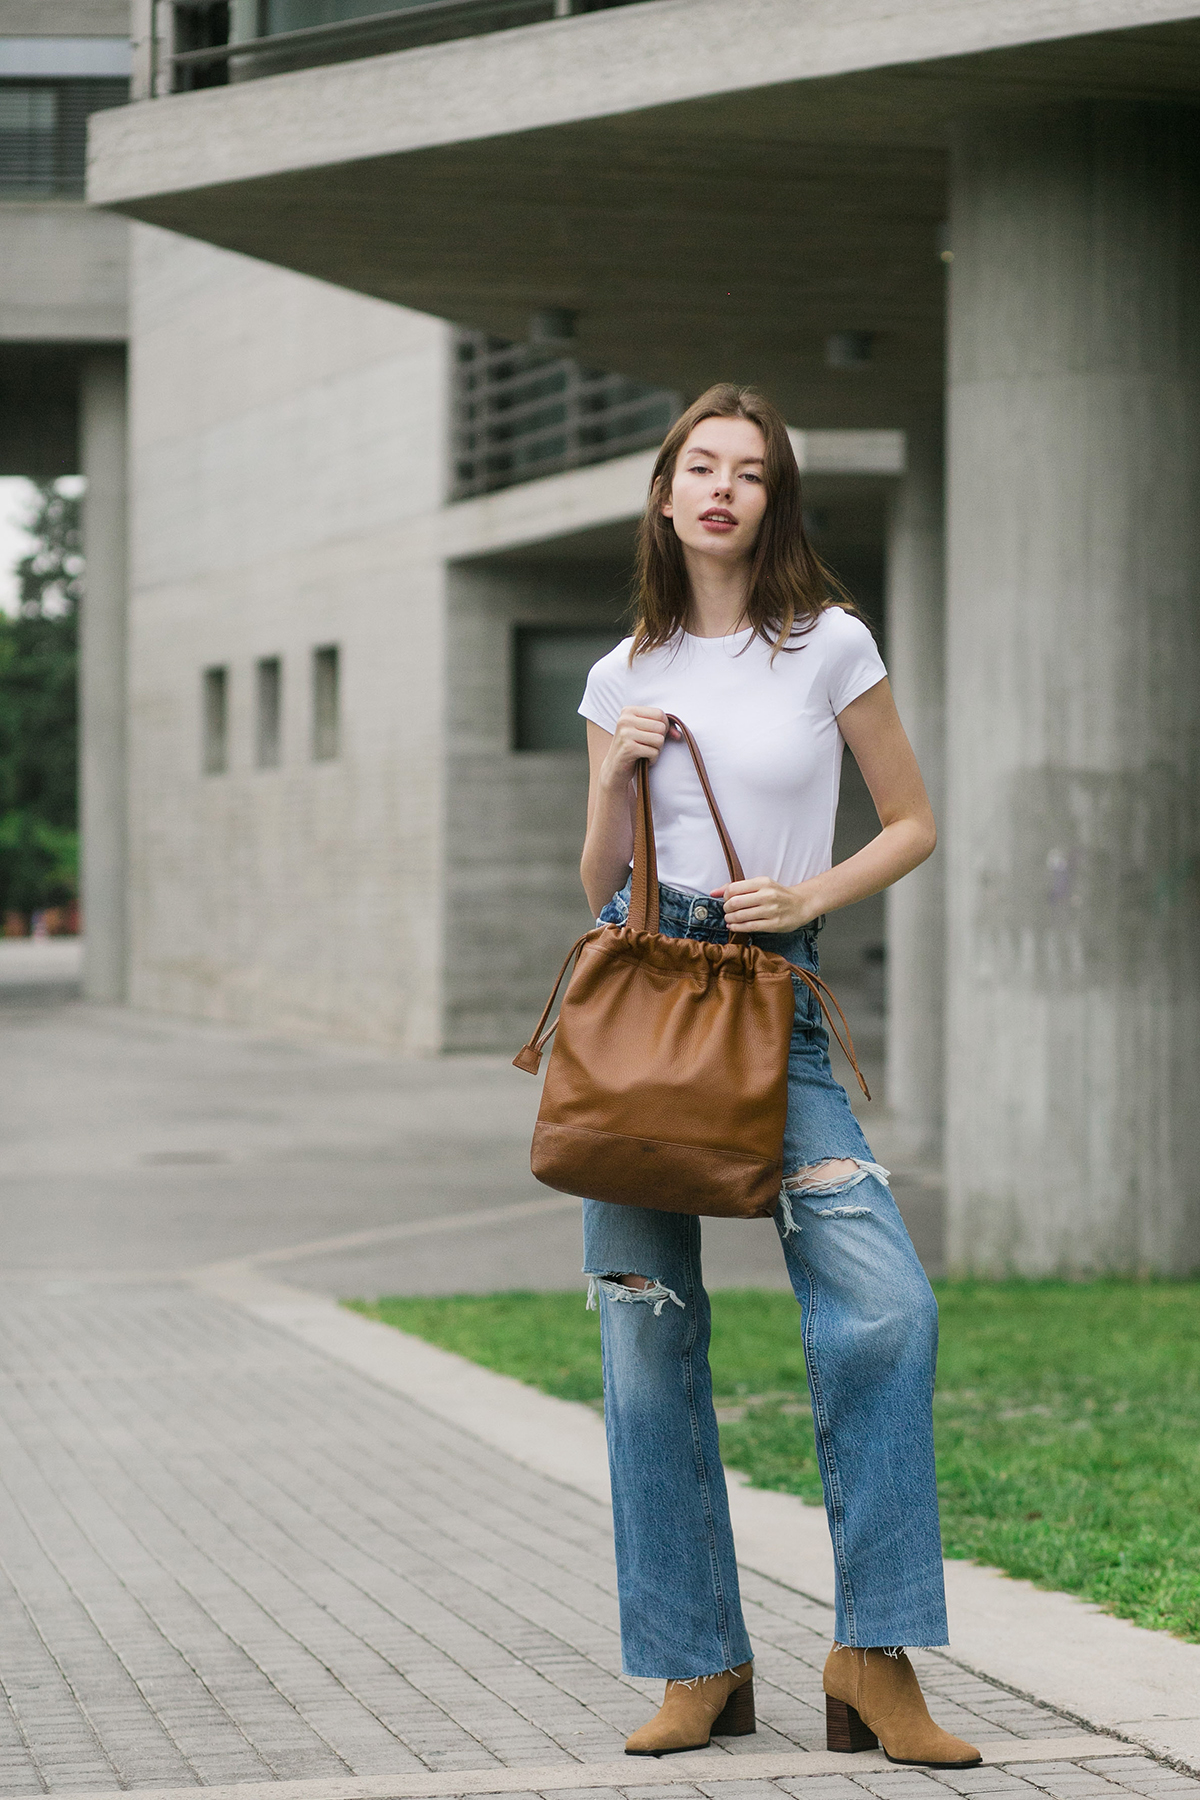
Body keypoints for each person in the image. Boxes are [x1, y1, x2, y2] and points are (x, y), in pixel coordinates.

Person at [576, 385, 979, 1767]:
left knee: (886, 1309)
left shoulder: (829, 645)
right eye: (701, 465)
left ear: (773, 496)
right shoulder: (621, 668)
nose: (723, 489)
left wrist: (806, 892)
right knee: (645, 1332)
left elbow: (914, 821)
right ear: (666, 490)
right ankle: (700, 1666)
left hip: (771, 995)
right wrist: (611, 779)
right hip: (641, 1003)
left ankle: (873, 1656)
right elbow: (594, 881)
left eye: (750, 471)